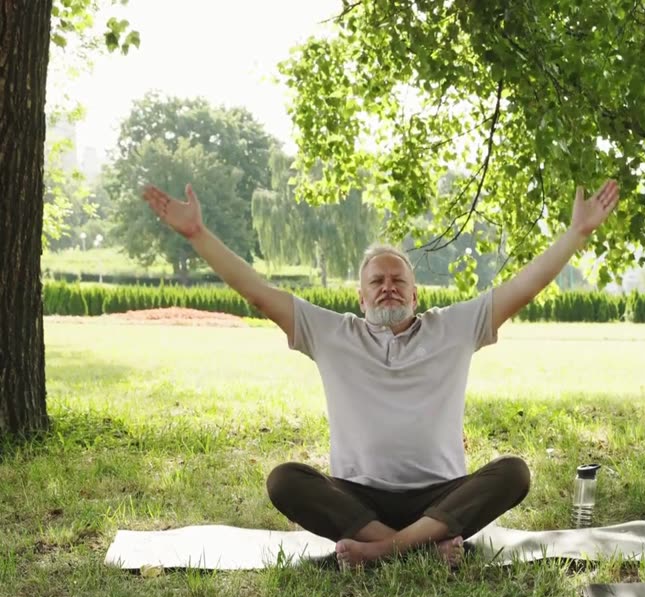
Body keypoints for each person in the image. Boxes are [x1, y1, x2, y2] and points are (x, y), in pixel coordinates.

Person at [143, 179, 620, 568]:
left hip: (441, 497)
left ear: (415, 296)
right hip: (359, 501)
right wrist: (196, 236)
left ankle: (384, 553)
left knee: (513, 473)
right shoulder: (331, 333)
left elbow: (524, 286)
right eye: (377, 281)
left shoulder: (453, 327)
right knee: (284, 480)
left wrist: (576, 234)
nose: (388, 288)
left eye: (399, 281)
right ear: (361, 297)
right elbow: (258, 292)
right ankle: (418, 548)